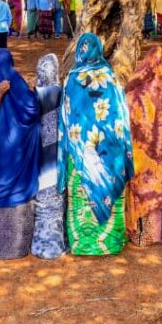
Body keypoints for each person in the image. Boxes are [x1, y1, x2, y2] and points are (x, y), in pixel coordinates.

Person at [58, 33, 134, 255]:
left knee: (80, 199)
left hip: (81, 154)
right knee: (109, 192)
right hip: (109, 155)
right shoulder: (111, 78)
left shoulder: (72, 79)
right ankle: (110, 243)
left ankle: (82, 243)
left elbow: (66, 117)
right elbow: (121, 117)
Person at [0, 48, 41, 259]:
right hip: (17, 147)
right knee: (17, 191)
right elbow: (32, 109)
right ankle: (18, 244)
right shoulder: (13, 78)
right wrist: (36, 92)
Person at [125, 46, 162, 246]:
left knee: (141, 189)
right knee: (159, 189)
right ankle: (158, 235)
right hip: (161, 153)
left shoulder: (134, 91)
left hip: (140, 153)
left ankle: (140, 236)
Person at [32, 54, 67, 259]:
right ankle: (56, 242)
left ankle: (39, 243)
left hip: (40, 153)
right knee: (56, 195)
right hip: (57, 153)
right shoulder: (60, 92)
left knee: (42, 196)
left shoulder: (35, 94)